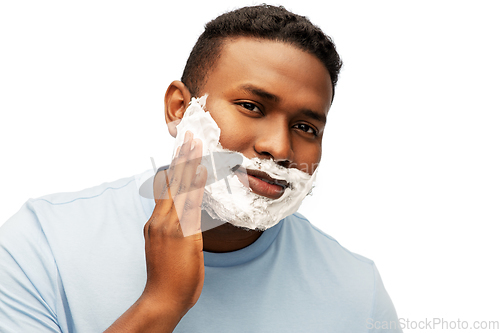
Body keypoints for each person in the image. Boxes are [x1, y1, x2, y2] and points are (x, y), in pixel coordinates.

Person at [0, 5, 402, 332]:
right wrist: (162, 303)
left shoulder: (356, 293)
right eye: (251, 107)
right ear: (180, 108)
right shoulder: (43, 244)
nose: (279, 148)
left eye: (305, 127)